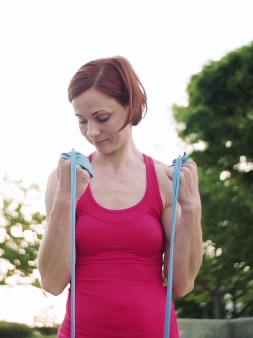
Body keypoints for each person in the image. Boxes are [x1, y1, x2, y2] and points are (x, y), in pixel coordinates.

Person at [37, 55, 203, 338]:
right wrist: (65, 200)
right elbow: (52, 282)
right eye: (81, 121)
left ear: (131, 106)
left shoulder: (164, 181)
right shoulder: (65, 179)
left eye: (102, 118)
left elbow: (183, 284)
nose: (92, 132)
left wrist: (191, 206)